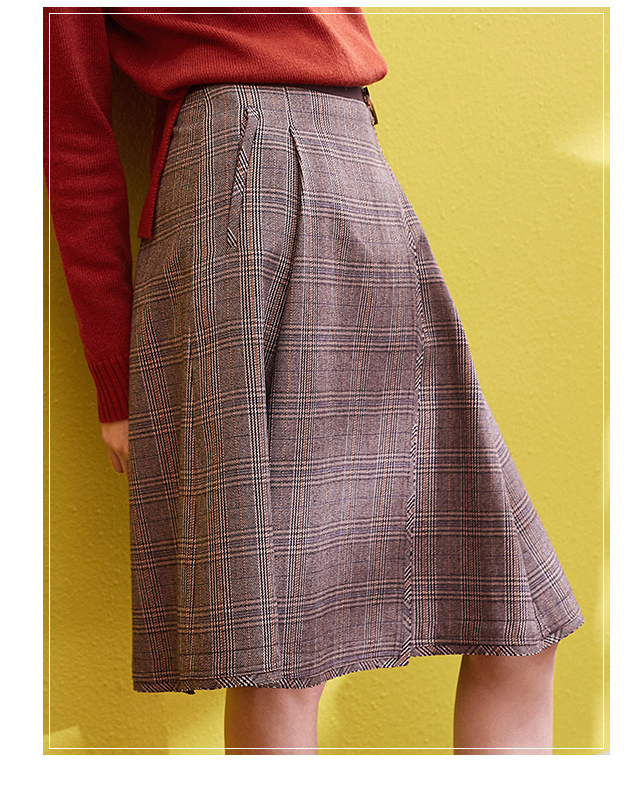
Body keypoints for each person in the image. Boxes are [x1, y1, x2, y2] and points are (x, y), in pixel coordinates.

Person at [43, 7, 585, 755]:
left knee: (521, 616)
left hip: (355, 158)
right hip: (244, 179)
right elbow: (72, 130)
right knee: (283, 653)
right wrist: (116, 376)